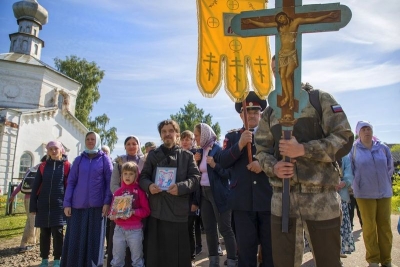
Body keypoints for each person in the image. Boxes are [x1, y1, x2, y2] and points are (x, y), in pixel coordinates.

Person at [255, 84, 353, 266]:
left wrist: (303, 149)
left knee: (328, 262)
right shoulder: (270, 111)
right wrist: (274, 167)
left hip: (321, 199)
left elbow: (344, 138)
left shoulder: (319, 99)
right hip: (282, 201)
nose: (282, 71)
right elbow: (261, 150)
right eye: (276, 68)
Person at [215, 91, 274, 267]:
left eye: (256, 112)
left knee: (270, 251)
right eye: (248, 112)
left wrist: (263, 165)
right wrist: (240, 144)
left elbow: (279, 159)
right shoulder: (232, 136)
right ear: (241, 115)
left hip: (267, 200)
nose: (252, 115)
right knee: (246, 252)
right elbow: (222, 161)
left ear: (261, 114)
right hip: (242, 202)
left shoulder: (270, 135)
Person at [244, 11, 336, 110]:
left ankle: (291, 99)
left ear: (286, 17)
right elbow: (264, 24)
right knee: (284, 76)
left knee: (287, 76)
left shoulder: (318, 99)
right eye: (275, 70)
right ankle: (288, 97)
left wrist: (327, 15)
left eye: (282, 18)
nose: (277, 73)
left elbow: (312, 19)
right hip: (283, 54)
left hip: (291, 54)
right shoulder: (272, 110)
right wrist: (251, 21)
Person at [139, 119, 200, 267]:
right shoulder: (153, 155)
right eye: (164, 132)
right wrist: (149, 186)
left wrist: (181, 187)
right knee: (156, 256)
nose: (167, 134)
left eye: (170, 131)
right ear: (160, 135)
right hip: (157, 211)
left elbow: (195, 178)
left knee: (177, 256)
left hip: (177, 212)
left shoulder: (187, 156)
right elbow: (143, 177)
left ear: (177, 134)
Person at [61, 131, 113, 267]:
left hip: (97, 208)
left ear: (98, 141)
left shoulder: (104, 159)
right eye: (88, 139)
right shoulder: (79, 160)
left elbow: (110, 183)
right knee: (75, 239)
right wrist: (67, 203)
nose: (90, 141)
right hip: (77, 207)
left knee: (94, 241)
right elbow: (71, 182)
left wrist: (107, 202)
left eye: (93, 139)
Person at [350, 121, 394, 267]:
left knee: (385, 226)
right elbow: (350, 170)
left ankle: (387, 260)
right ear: (358, 133)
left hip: (384, 192)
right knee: (369, 227)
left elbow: (390, 166)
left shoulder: (383, 147)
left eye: (369, 129)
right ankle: (373, 260)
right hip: (364, 193)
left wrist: (384, 181)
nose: (367, 131)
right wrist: (357, 184)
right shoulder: (354, 150)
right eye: (363, 129)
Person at [194, 123, 237, 267]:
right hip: (204, 194)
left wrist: (215, 166)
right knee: (209, 229)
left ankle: (232, 259)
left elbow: (228, 174)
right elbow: (198, 173)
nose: (195, 138)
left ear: (205, 134)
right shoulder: (201, 151)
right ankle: (213, 261)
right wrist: (197, 161)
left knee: (225, 228)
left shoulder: (218, 150)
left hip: (219, 193)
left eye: (197, 135)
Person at [30, 141, 71, 267]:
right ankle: (44, 259)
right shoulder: (43, 166)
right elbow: (36, 186)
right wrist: (33, 205)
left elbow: (70, 186)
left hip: (58, 205)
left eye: (56, 149)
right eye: (51, 149)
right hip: (43, 204)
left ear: (61, 150)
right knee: (44, 233)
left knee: (58, 233)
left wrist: (69, 203)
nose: (53, 151)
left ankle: (58, 259)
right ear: (48, 151)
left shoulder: (67, 166)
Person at [108, 136, 146, 267]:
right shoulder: (119, 161)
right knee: (118, 256)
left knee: (137, 255)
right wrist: (124, 197)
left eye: (134, 143)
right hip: (121, 216)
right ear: (124, 146)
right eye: (128, 144)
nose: (131, 146)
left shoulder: (144, 161)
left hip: (136, 220)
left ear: (138, 146)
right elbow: (114, 184)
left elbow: (145, 180)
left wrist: (134, 195)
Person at [9, 160, 43, 253]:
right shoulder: (44, 168)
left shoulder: (31, 169)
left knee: (32, 219)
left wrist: (13, 195)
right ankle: (23, 245)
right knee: (31, 221)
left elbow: (21, 184)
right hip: (37, 199)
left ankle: (35, 241)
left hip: (27, 198)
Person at [180, 130, 203, 263]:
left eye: (188, 139)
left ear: (192, 141)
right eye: (183, 139)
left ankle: (191, 255)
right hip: (180, 197)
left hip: (192, 197)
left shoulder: (196, 154)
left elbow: (197, 181)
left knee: (190, 227)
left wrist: (195, 201)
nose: (185, 142)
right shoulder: (178, 154)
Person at [336, 155, 355, 258]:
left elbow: (349, 174)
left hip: (341, 196)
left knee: (341, 225)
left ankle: (338, 251)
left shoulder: (344, 157)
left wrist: (343, 183)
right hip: (323, 196)